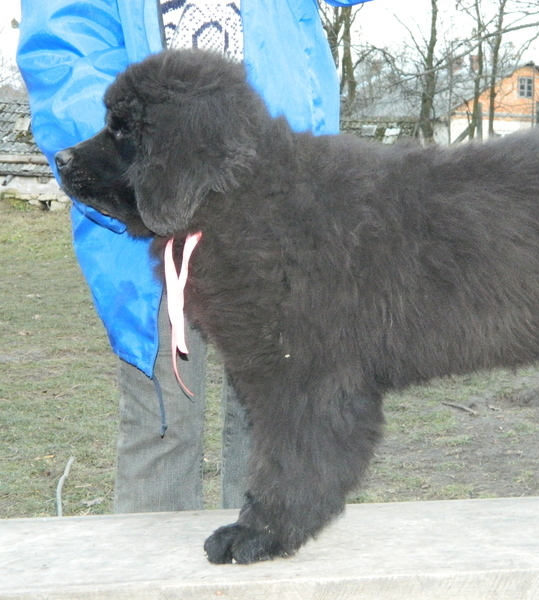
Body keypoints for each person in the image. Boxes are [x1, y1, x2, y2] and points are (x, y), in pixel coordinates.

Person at [17, 0, 373, 513]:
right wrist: (132, 168)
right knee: (161, 427)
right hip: (151, 217)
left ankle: (263, 581)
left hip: (282, 205)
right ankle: (155, 587)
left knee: (276, 419)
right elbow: (65, 45)